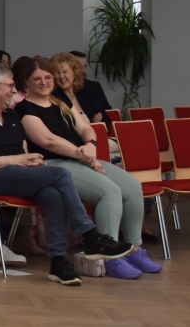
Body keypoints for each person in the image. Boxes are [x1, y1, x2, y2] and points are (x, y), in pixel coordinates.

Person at [0, 62, 133, 287]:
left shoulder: (11, 116)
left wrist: (30, 161)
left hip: (20, 173)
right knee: (60, 175)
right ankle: (90, 235)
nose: (14, 90)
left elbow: (23, 152)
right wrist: (17, 160)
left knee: (53, 194)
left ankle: (58, 262)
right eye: (9, 86)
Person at [12, 56, 160, 278]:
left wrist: (91, 144)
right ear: (26, 82)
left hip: (79, 158)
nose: (44, 82)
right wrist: (84, 155)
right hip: (54, 164)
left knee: (132, 187)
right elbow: (48, 141)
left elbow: (85, 128)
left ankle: (133, 249)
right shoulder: (24, 109)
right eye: (37, 79)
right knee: (108, 192)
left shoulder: (60, 101)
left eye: (48, 77)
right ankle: (109, 256)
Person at [49, 52, 110, 123]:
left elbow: (106, 119)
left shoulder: (84, 93)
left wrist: (97, 125)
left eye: (65, 72)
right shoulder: (53, 99)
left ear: (74, 73)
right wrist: (93, 125)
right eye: (57, 73)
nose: (61, 76)